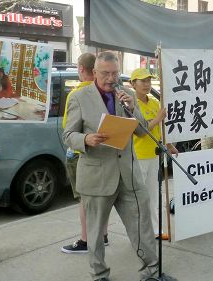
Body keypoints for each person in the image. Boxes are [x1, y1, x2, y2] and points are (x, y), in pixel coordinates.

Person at [63, 52, 174, 281]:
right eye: (105, 73)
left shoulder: (127, 95)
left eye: (114, 73)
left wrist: (133, 108)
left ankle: (152, 272)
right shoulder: (79, 97)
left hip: (128, 174)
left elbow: (142, 131)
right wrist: (85, 139)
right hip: (97, 174)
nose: (111, 78)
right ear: (94, 73)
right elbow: (68, 134)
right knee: (94, 233)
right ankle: (99, 275)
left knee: (142, 226)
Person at [61, 53, 110, 254]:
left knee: (85, 199)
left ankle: (86, 239)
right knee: (104, 197)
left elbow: (68, 128)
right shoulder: (105, 92)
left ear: (82, 68)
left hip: (82, 153)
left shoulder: (77, 94)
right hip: (108, 153)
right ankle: (103, 235)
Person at [130, 67, 178, 240]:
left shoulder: (154, 102)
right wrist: (157, 118)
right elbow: (140, 130)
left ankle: (156, 230)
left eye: (149, 80)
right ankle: (139, 233)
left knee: (153, 195)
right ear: (133, 84)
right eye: (143, 81)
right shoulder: (131, 104)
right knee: (139, 197)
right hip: (138, 156)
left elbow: (161, 128)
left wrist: (169, 145)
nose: (147, 84)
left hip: (154, 155)